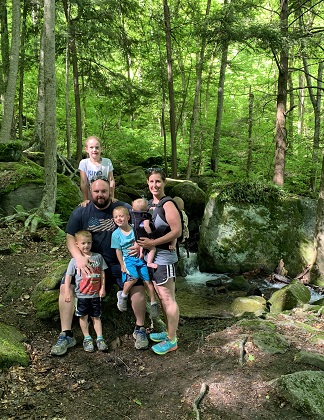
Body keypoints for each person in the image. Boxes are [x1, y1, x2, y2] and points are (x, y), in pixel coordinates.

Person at [50, 176, 148, 356]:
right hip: (91, 262)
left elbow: (143, 224)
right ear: (90, 191)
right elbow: (70, 237)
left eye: (104, 191)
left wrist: (140, 244)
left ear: (110, 191)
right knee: (67, 284)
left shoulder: (123, 208)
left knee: (138, 284)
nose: (100, 195)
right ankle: (66, 334)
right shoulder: (81, 211)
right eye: (96, 191)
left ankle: (140, 329)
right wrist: (78, 258)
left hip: (119, 261)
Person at [137, 167, 182, 355]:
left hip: (164, 258)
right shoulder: (150, 204)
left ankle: (172, 340)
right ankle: (168, 333)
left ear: (164, 183)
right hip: (153, 257)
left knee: (167, 297)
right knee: (161, 296)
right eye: (151, 181)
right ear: (147, 183)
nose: (154, 185)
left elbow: (176, 231)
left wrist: (153, 243)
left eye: (158, 181)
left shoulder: (167, 204)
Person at [64, 230, 108, 352]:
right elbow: (68, 276)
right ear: (77, 244)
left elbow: (102, 273)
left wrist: (102, 287)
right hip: (81, 295)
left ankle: (100, 338)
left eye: (88, 243)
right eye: (83, 243)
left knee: (96, 316)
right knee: (83, 316)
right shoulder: (75, 260)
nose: (86, 246)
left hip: (95, 294)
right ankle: (87, 338)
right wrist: (67, 291)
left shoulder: (98, 257)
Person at [111, 206, 158, 319]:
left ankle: (153, 304)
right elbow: (117, 251)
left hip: (140, 259)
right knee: (134, 277)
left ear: (128, 217)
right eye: (116, 217)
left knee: (148, 281)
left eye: (121, 216)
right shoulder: (116, 234)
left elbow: (142, 240)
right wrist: (122, 264)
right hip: (128, 259)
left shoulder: (135, 229)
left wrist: (141, 253)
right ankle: (122, 295)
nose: (119, 219)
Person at [78, 135, 115, 206]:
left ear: (101, 148)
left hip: (105, 194)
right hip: (91, 195)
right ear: (86, 149)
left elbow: (111, 180)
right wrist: (85, 199)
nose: (94, 150)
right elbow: (83, 182)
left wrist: (111, 196)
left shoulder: (107, 162)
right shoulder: (84, 163)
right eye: (91, 147)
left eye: (97, 147)